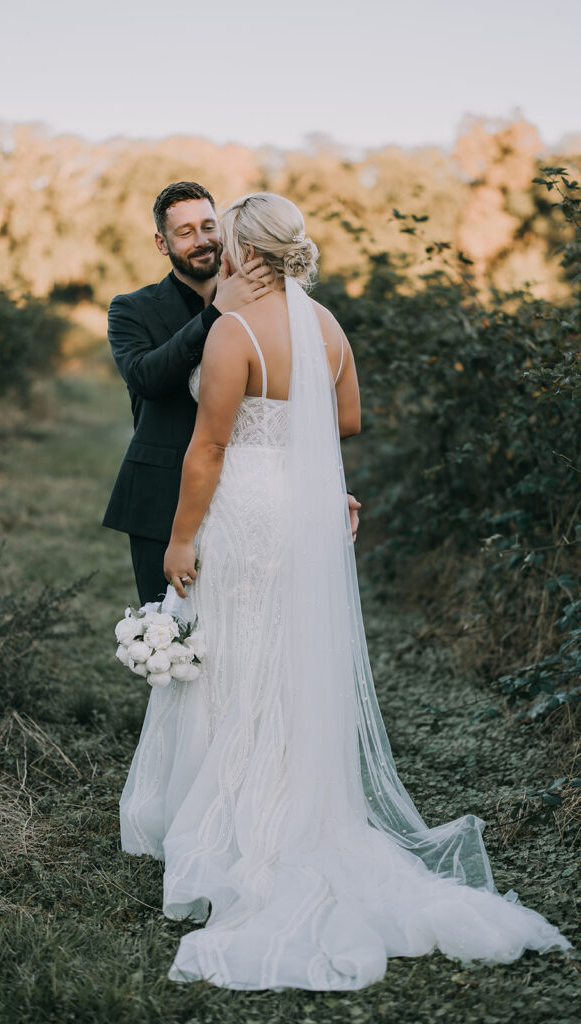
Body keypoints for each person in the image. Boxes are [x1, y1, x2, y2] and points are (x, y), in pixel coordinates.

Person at [118, 193, 572, 991]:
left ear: (243, 253)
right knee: (286, 658)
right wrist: (311, 477)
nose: (214, 244)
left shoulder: (232, 330)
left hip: (243, 512)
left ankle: (235, 826)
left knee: (234, 658)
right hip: (300, 514)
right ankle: (297, 804)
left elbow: (208, 447)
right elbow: (347, 420)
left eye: (224, 236)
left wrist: (182, 537)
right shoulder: (324, 326)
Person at [102, 180, 362, 604]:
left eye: (209, 226)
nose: (203, 240)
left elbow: (311, 416)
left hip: (254, 502)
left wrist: (321, 484)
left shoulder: (278, 315)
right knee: (170, 641)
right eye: (185, 232)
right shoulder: (133, 308)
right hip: (163, 501)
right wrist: (216, 312)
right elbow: (145, 379)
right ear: (161, 243)